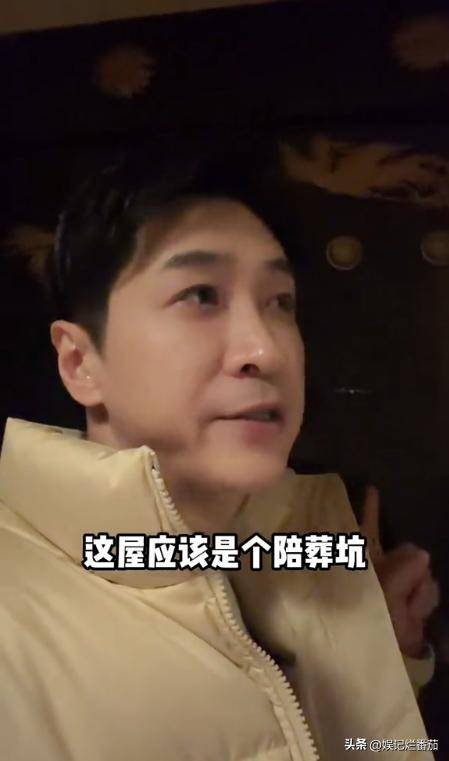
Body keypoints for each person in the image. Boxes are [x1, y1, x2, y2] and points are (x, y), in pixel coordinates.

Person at [0, 139, 439, 761]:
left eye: (280, 302)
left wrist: (383, 659)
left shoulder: (316, 541)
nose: (265, 349)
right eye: (201, 295)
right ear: (80, 362)